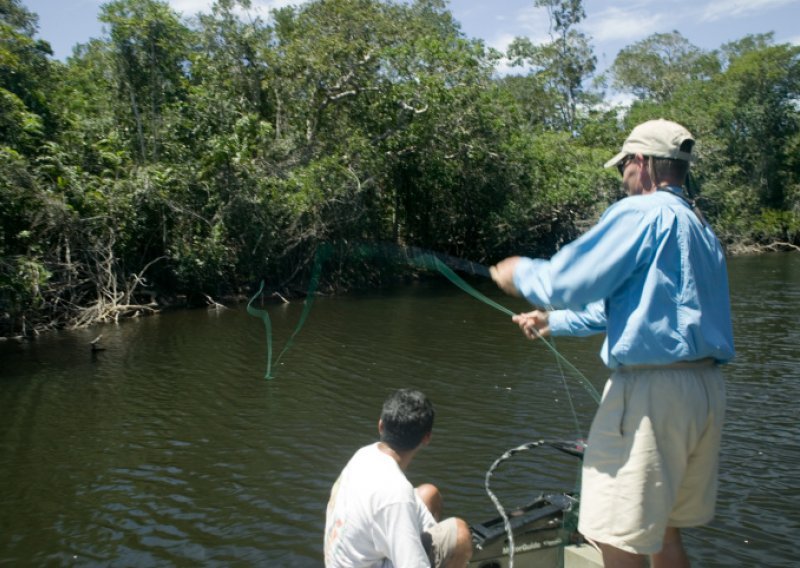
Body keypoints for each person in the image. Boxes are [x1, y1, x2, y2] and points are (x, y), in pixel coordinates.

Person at [490, 119, 735, 568]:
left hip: (652, 396)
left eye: (623, 165)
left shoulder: (642, 213)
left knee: (614, 534)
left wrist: (520, 273)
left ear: (641, 162)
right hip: (702, 393)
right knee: (663, 532)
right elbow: (630, 305)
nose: (622, 175)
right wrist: (554, 322)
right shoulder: (700, 228)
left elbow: (568, 279)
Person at [324, 388, 473, 568]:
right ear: (427, 438)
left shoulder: (364, 454)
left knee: (429, 494)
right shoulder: (396, 492)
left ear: (380, 425)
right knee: (460, 534)